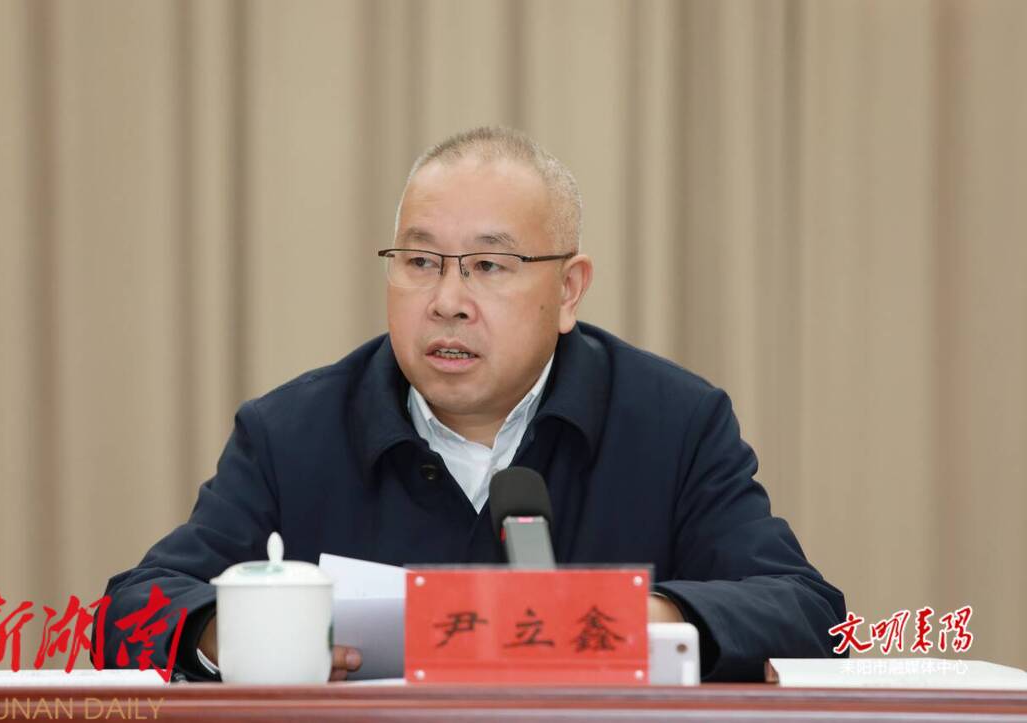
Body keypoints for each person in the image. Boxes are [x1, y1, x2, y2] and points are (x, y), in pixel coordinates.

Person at [98, 126, 845, 682]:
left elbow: (811, 615)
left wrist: (629, 619)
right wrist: (236, 635)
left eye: (489, 265)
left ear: (569, 290)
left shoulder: (674, 423)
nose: (448, 301)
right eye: (421, 261)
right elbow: (130, 611)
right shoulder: (291, 434)